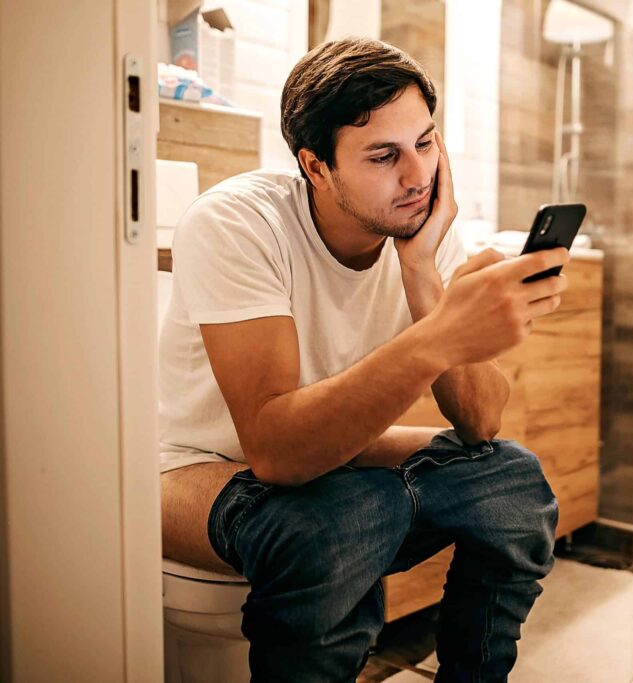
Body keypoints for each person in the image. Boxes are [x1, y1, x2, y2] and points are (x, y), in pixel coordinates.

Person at [158, 37, 568, 682]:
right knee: (340, 520)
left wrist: (422, 274)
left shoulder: (420, 226)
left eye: (426, 144)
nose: (417, 176)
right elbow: (276, 453)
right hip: (192, 467)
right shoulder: (236, 223)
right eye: (385, 156)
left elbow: (482, 422)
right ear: (316, 167)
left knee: (512, 481)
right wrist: (439, 335)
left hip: (333, 454)